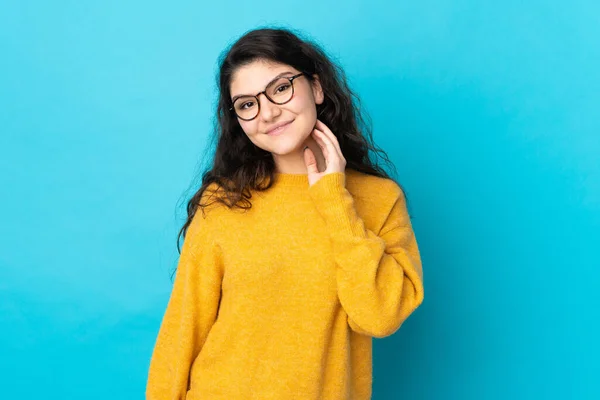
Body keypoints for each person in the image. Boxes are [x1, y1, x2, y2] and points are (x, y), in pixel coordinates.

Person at [146, 26, 425, 400]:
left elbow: (379, 316)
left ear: (317, 87)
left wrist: (332, 197)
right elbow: (184, 328)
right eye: (247, 104)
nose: (268, 113)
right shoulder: (224, 203)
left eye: (280, 88)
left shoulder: (379, 200)